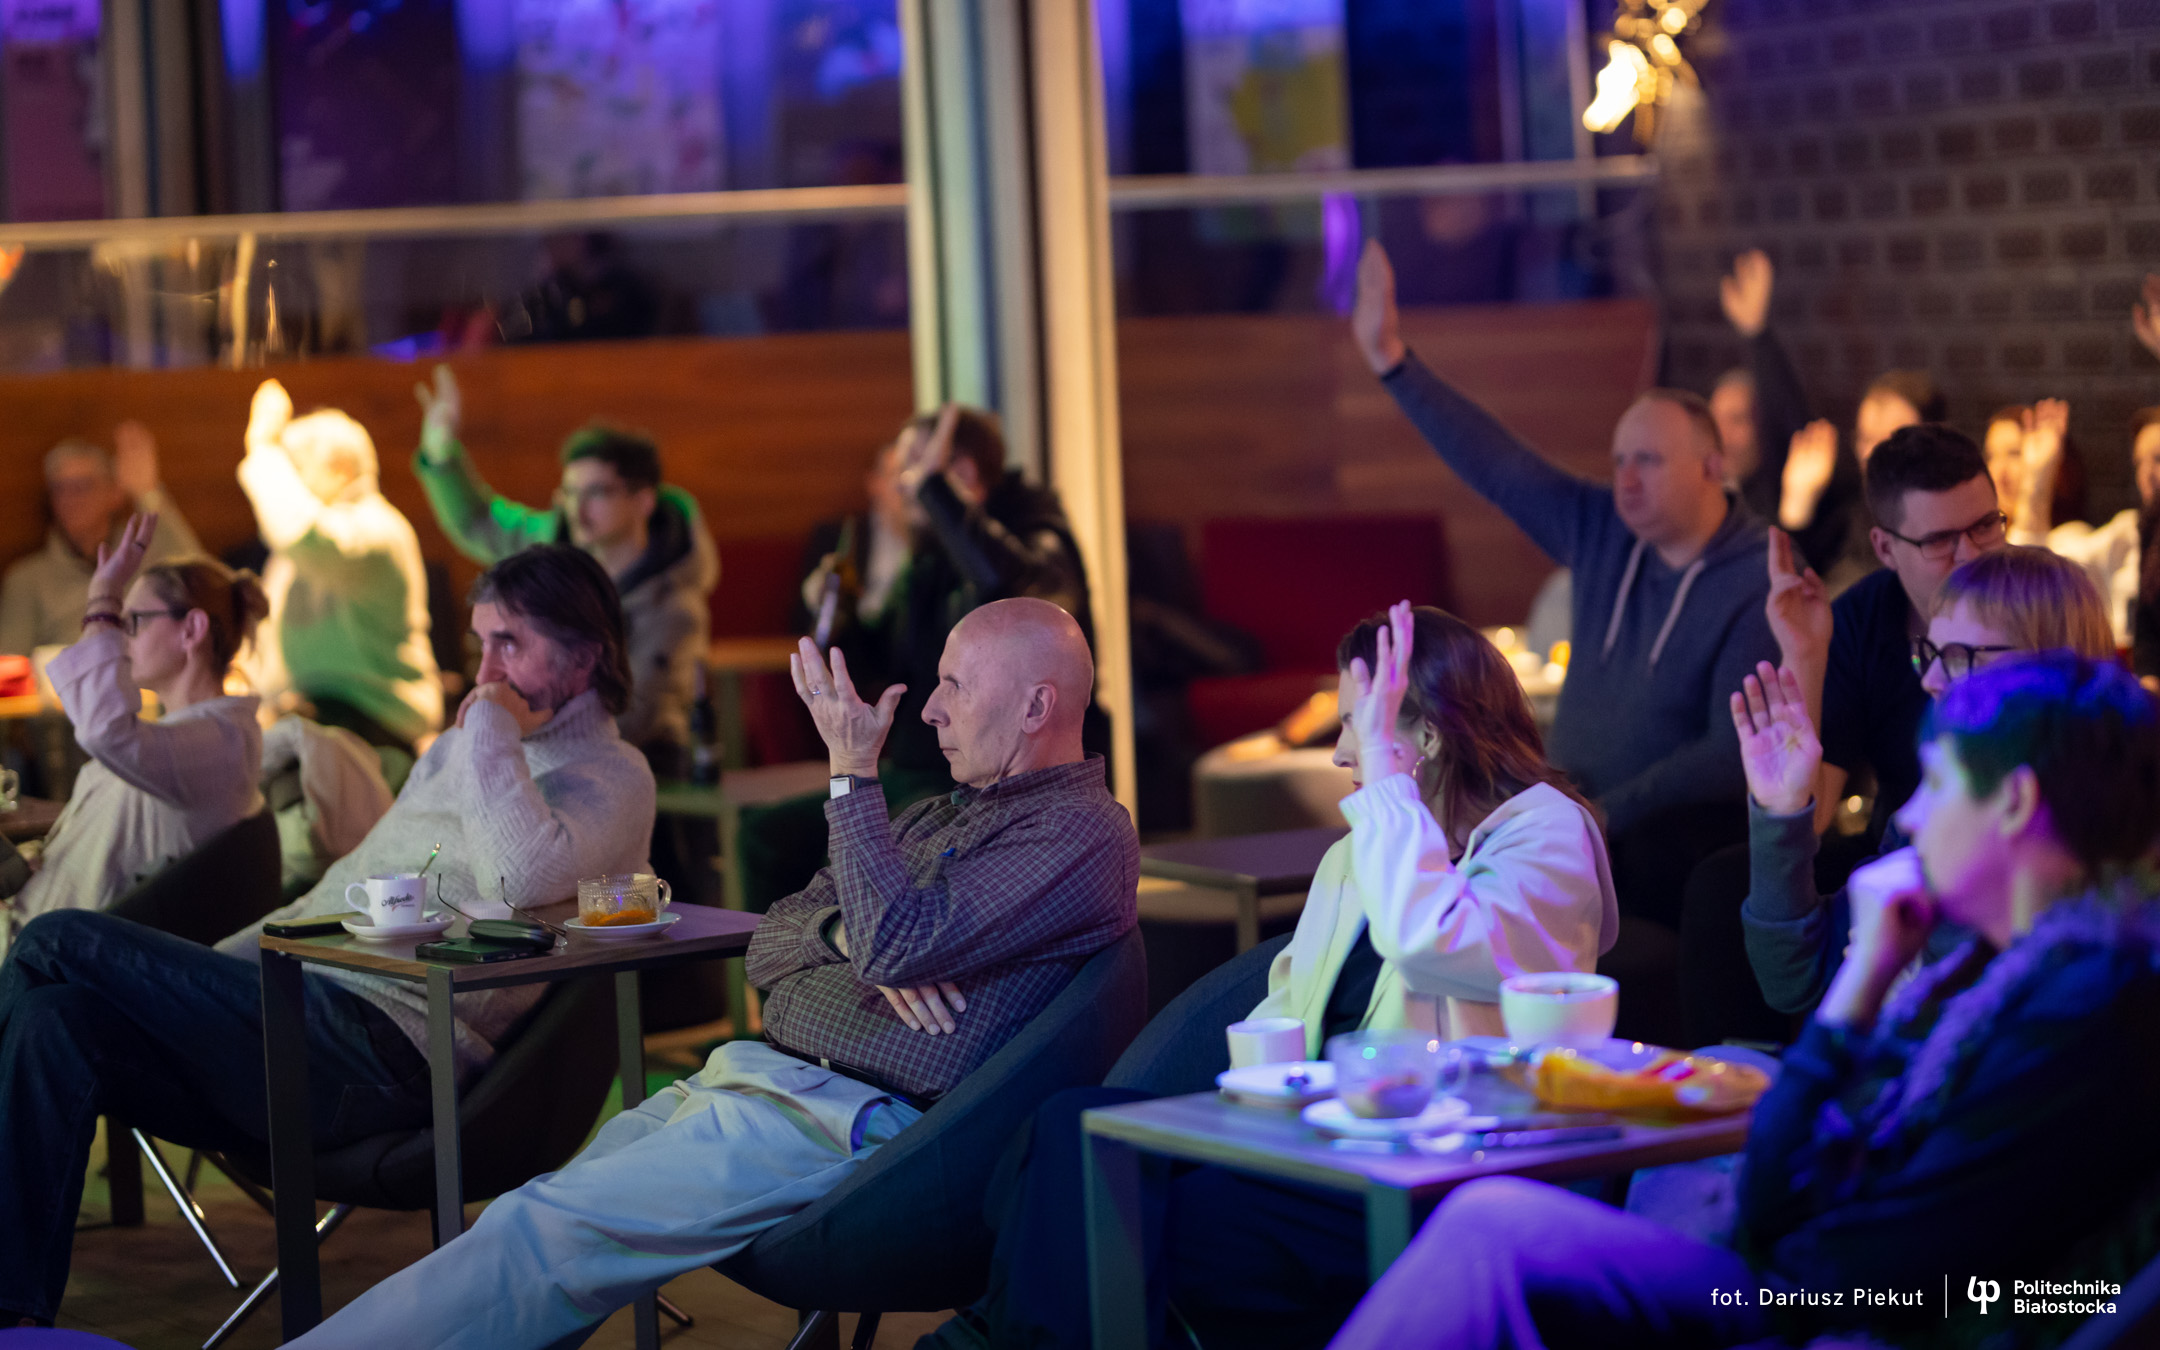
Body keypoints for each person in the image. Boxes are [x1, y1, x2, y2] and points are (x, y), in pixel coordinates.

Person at [285, 597, 1134, 1349]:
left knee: (542, 1234)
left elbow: (896, 949)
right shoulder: (931, 816)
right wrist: (841, 933)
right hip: (764, 1082)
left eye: (956, 686)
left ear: (1036, 706)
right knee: (532, 1221)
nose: (934, 712)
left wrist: (852, 782)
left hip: (852, 1127)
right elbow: (769, 947)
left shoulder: (1081, 832)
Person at [1329, 652, 2160, 1350]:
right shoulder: (2008, 970)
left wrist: (1859, 989)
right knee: (1495, 1220)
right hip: (1824, 1288)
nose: (1909, 814)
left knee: (1494, 1232)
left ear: (2013, 803)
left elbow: (1863, 1265)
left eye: (1937, 784)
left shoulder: (2086, 1003)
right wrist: (1866, 981)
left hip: (1857, 1317)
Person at [920, 602, 1619, 1350]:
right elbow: (1284, 1006)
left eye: (1361, 727)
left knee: (1092, 1227)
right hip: (1307, 1139)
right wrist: (1236, 1113)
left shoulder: (1546, 834)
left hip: (1427, 1166)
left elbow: (1428, 941)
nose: (1344, 753)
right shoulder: (1357, 856)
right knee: (1068, 1128)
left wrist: (1388, 789)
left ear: (1429, 737)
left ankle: (985, 1336)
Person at [0, 545, 655, 1330]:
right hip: (303, 1014)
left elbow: (519, 876)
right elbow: (338, 891)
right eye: (481, 643)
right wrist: (202, 985)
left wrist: (488, 729)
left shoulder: (613, 775)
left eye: (509, 642)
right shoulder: (460, 748)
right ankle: (13, 1311)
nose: (486, 671)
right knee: (54, 1019)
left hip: (393, 1049)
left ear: (587, 653)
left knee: (59, 939)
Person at [1354, 238, 1774, 928]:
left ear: (1711, 467)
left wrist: (1604, 812)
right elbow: (1498, 464)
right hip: (1573, 819)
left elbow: (1728, 757)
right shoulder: (1606, 529)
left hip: (1671, 841)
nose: (1626, 480)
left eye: (1648, 461)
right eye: (1618, 461)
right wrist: (1394, 363)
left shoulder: (1756, 575)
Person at [743, 404, 1100, 910]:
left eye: (912, 468)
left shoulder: (1034, 528)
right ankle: (809, 973)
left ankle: (875, 964)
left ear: (963, 474)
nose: (900, 484)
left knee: (869, 857)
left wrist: (939, 496)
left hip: (985, 775)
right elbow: (891, 671)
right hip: (916, 763)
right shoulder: (930, 553)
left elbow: (1014, 591)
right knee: (765, 836)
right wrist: (839, 611)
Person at [1740, 546, 2116, 1018]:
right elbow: (1796, 982)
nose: (1931, 680)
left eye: (1959, 656)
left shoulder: (2084, 863)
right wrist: (1782, 809)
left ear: (2048, 666)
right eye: (1929, 653)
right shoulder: (1938, 805)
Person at [410, 364, 719, 769]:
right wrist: (440, 452)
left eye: (596, 493)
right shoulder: (556, 546)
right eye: (570, 493)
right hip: (550, 753)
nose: (577, 509)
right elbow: (480, 522)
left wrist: (523, 733)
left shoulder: (673, 602)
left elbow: (636, 714)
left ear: (643, 501)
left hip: (643, 770)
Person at [3, 516, 266, 942]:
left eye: (132, 622)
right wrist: (38, 817)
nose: (120, 637)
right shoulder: (192, 735)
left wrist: (102, 597)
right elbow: (134, 809)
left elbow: (106, 732)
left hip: (52, 952)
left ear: (193, 629)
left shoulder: (221, 742)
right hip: (34, 918)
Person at [235, 378, 443, 754]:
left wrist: (264, 451)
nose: (286, 482)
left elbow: (304, 535)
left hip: (373, 728)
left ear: (340, 468)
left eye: (293, 467)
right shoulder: (298, 550)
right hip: (311, 725)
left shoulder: (379, 529)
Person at [1718, 248, 1939, 591]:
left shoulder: (1952, 516)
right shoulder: (1848, 513)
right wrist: (1796, 506)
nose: (1875, 453)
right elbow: (1785, 586)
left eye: (1895, 438)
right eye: (1866, 438)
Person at [0, 423, 202, 656]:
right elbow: (9, 668)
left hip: (146, 685)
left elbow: (202, 585)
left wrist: (149, 495)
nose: (70, 499)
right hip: (65, 689)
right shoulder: (27, 580)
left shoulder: (145, 561)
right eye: (60, 488)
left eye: (83, 486)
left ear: (114, 494)